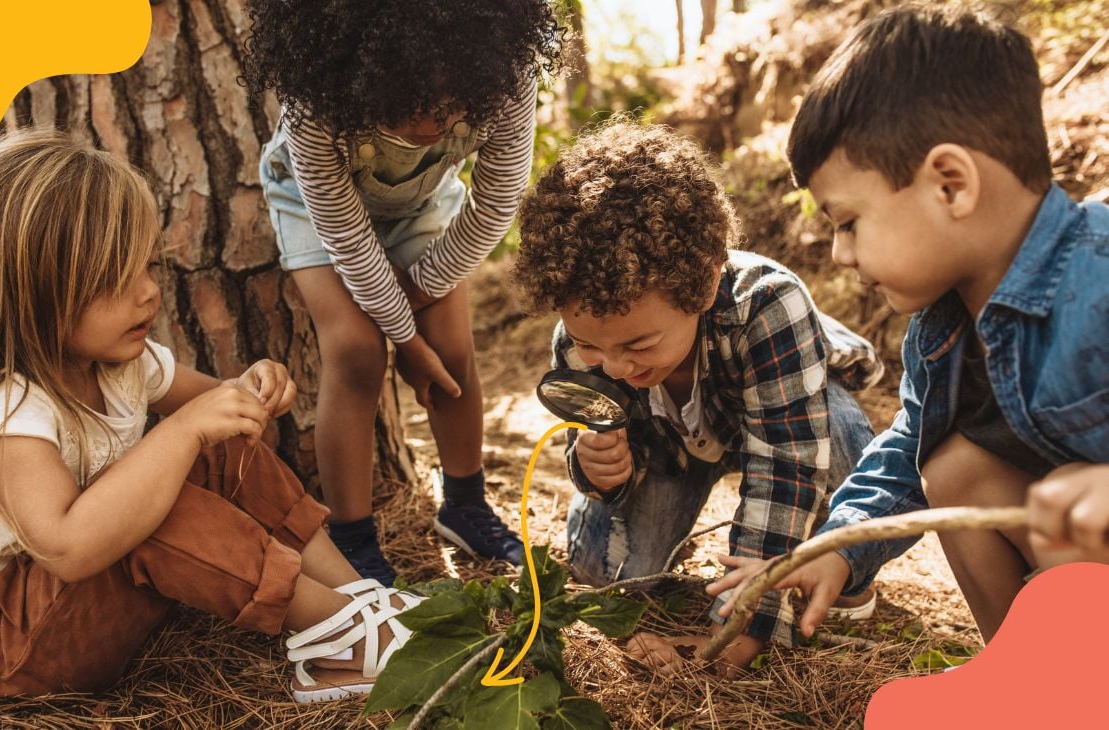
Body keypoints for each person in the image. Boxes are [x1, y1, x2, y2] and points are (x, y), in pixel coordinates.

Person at [0, 130, 420, 702]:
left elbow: (220, 404)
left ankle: (358, 599)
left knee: (218, 445)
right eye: (117, 280)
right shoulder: (5, 411)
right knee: (157, 501)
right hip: (4, 651)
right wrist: (187, 429)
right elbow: (68, 548)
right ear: (30, 293)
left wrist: (252, 387)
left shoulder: (120, 363)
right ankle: (341, 636)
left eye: (148, 267)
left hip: (74, 610)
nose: (148, 294)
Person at [711, 6, 1109, 647]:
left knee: (1067, 489)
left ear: (951, 185)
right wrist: (838, 549)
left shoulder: (1099, 275)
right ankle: (1025, 675)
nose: (842, 254)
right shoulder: (941, 330)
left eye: (849, 223)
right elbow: (904, 455)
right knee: (951, 468)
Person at [511, 120, 884, 674]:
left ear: (705, 283)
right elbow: (594, 441)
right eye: (592, 345)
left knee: (842, 434)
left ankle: (844, 567)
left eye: (639, 343)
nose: (615, 366)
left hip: (781, 416)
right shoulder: (580, 343)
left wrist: (743, 624)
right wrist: (600, 472)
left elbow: (784, 464)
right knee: (604, 574)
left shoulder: (768, 305)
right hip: (671, 451)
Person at [241, 0, 566, 585]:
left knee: (453, 348)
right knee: (357, 351)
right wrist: (404, 341)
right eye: (403, 109)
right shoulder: (315, 100)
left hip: (419, 204)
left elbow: (494, 206)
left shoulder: (504, 74)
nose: (429, 128)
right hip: (317, 210)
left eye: (448, 110)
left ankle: (466, 507)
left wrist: (417, 303)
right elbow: (344, 235)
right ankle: (353, 538)